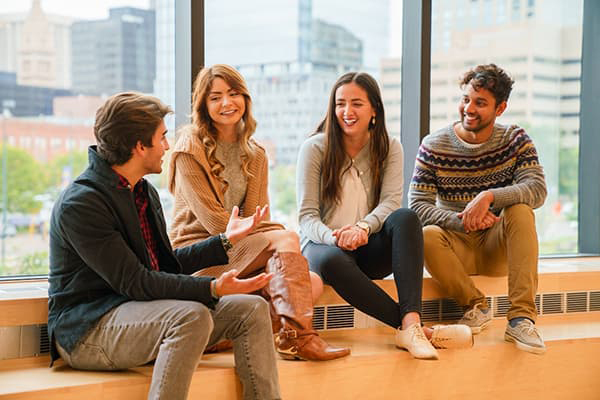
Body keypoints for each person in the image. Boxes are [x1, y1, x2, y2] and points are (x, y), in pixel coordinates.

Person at [48, 92, 282, 400]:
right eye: (162, 137)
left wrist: (227, 240)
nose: (167, 146)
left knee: (252, 308)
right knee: (191, 316)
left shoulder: (143, 192)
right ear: (139, 146)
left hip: (140, 317)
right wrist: (212, 288)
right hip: (88, 330)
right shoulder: (82, 204)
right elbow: (137, 282)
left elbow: (164, 264)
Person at [167, 64, 350, 361]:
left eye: (233, 93)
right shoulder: (189, 148)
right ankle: (299, 339)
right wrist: (270, 231)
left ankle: (220, 336)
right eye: (215, 97)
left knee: (311, 283)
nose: (226, 103)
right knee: (286, 238)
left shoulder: (255, 154)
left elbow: (255, 217)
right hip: (200, 255)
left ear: (245, 98)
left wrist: (266, 229)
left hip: (240, 252)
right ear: (203, 105)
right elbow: (216, 225)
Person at [297, 71, 472, 360]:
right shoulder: (315, 148)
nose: (347, 111)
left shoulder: (390, 147)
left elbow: (391, 202)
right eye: (340, 104)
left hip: (367, 246)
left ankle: (412, 324)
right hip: (324, 247)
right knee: (330, 259)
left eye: (356, 104)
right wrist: (335, 237)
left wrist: (364, 228)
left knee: (406, 217)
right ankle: (415, 329)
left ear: (374, 109)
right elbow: (306, 216)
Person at [408, 64, 547, 354]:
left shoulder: (515, 139)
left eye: (480, 103)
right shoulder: (434, 145)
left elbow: (537, 189)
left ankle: (521, 319)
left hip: (497, 248)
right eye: (466, 99)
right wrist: (463, 221)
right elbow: (417, 206)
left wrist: (489, 197)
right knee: (425, 233)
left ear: (501, 108)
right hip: (455, 249)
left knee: (521, 210)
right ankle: (476, 306)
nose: (468, 108)